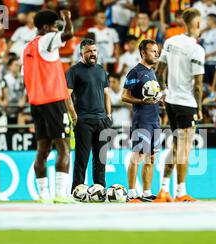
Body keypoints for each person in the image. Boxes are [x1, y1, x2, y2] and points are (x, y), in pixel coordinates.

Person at [23, 9, 77, 204]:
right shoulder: (47, 40)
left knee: (42, 149)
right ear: (46, 27)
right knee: (63, 146)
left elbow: (26, 79)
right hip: (53, 100)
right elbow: (69, 35)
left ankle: (42, 195)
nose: (57, 28)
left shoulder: (28, 47)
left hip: (36, 102)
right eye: (55, 25)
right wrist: (68, 18)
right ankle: (60, 194)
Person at [155, 8, 205, 202]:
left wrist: (165, 91)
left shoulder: (170, 42)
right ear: (197, 24)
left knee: (175, 147)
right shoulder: (196, 49)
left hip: (171, 102)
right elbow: (198, 85)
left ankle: (163, 189)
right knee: (184, 148)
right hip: (187, 103)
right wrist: (199, 108)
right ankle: (181, 192)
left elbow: (159, 72)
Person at [66, 39, 113, 192]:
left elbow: (106, 94)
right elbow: (67, 96)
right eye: (89, 51)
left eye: (94, 51)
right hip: (83, 121)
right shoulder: (74, 71)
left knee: (100, 160)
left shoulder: (101, 70)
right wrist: (74, 117)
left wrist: (109, 115)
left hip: (102, 121)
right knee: (82, 159)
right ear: (81, 53)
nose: (92, 54)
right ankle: (77, 191)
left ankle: (100, 190)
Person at [122, 40, 161, 202]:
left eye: (157, 51)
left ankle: (146, 192)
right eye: (153, 51)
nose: (156, 54)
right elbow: (124, 96)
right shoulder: (135, 72)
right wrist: (142, 102)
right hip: (142, 120)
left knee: (151, 157)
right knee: (137, 156)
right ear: (143, 53)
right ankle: (131, 193)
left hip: (154, 120)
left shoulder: (152, 72)